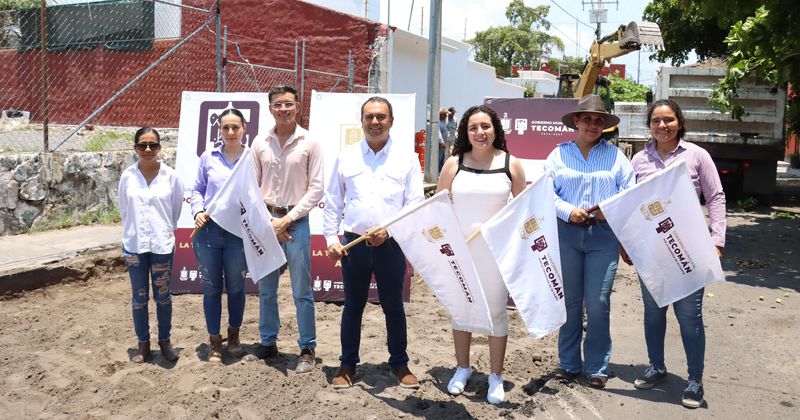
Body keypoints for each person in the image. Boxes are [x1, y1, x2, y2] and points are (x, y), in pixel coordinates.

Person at [628, 99, 725, 408]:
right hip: (652, 254)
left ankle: (694, 379)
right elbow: (628, 206)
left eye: (668, 120)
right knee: (653, 314)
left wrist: (717, 240)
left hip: (688, 251)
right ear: (650, 126)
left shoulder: (697, 156)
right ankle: (657, 367)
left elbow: (716, 197)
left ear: (679, 123)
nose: (662, 126)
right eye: (656, 121)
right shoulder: (639, 161)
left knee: (689, 317)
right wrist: (625, 244)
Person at [323, 97, 424, 389]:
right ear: (362, 121)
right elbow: (332, 201)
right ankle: (347, 364)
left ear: (391, 121)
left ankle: (400, 364)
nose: (375, 122)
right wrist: (331, 239)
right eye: (369, 117)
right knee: (352, 306)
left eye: (381, 117)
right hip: (353, 245)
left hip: (391, 245)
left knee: (393, 306)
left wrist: (389, 231)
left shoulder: (407, 158)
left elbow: (414, 204)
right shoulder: (346, 156)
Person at [435, 105, 526, 404]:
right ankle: (463, 368)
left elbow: (522, 211)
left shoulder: (511, 165)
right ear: (466, 131)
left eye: (485, 126)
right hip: (461, 252)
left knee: (496, 312)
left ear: (495, 129)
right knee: (462, 311)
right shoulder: (453, 164)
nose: (480, 132)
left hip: (496, 254)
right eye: (473, 127)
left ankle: (495, 376)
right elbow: (437, 208)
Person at [546, 94, 635, 389]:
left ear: (605, 126)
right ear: (576, 121)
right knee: (570, 302)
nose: (593, 125)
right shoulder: (558, 154)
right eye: (587, 119)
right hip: (566, 234)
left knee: (598, 303)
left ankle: (597, 365)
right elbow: (546, 193)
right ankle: (568, 363)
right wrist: (567, 211)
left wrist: (607, 210)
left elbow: (629, 193)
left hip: (603, 236)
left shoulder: (616, 158)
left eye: (599, 120)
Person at [248, 85, 323, 373]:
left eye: (288, 104)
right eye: (277, 104)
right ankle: (268, 342)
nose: (283, 109)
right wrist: (270, 223)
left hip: (297, 225)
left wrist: (288, 219)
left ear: (297, 106)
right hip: (266, 223)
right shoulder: (259, 143)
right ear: (270, 109)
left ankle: (307, 347)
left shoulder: (310, 142)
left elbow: (316, 189)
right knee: (266, 288)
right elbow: (251, 188)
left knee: (301, 290)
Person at [118, 127, 183, 363]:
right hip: (134, 245)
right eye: (142, 145)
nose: (147, 150)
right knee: (139, 296)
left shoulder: (171, 176)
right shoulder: (127, 176)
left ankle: (164, 341)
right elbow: (124, 209)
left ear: (160, 147)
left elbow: (175, 210)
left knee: (163, 295)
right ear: (135, 148)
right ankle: (143, 344)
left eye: (153, 145)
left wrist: (162, 229)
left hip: (161, 244)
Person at [191, 108, 249, 364]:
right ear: (219, 130)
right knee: (212, 289)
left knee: (236, 288)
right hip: (208, 232)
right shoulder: (208, 157)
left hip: (238, 233)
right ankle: (214, 341)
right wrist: (197, 211)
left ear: (244, 128)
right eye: (225, 127)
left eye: (235, 127)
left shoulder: (251, 158)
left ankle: (234, 336)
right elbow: (197, 189)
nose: (230, 132)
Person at [438, 107, 449, 171]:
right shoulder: (438, 122)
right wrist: (441, 142)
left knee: (442, 157)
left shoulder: (443, 122)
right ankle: (438, 171)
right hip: (440, 143)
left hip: (443, 143)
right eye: (445, 114)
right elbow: (438, 133)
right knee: (439, 157)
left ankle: (440, 170)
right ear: (441, 115)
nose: (446, 116)